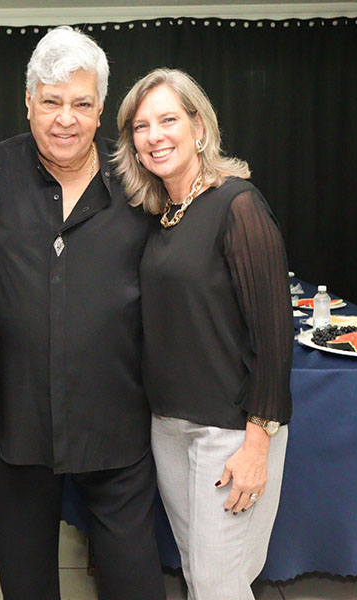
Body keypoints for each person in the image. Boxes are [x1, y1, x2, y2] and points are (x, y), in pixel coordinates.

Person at [0, 27, 167, 599]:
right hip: (19, 426)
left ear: (101, 109)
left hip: (116, 425)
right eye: (52, 102)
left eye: (82, 104)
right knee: (26, 583)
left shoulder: (140, 178)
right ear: (28, 101)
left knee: (135, 582)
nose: (66, 119)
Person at [114, 68, 293, 600]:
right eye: (141, 127)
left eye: (168, 120)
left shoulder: (238, 205)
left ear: (198, 127)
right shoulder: (161, 215)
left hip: (230, 432)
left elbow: (274, 335)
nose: (154, 136)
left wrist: (257, 443)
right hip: (168, 426)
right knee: (200, 574)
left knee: (217, 585)